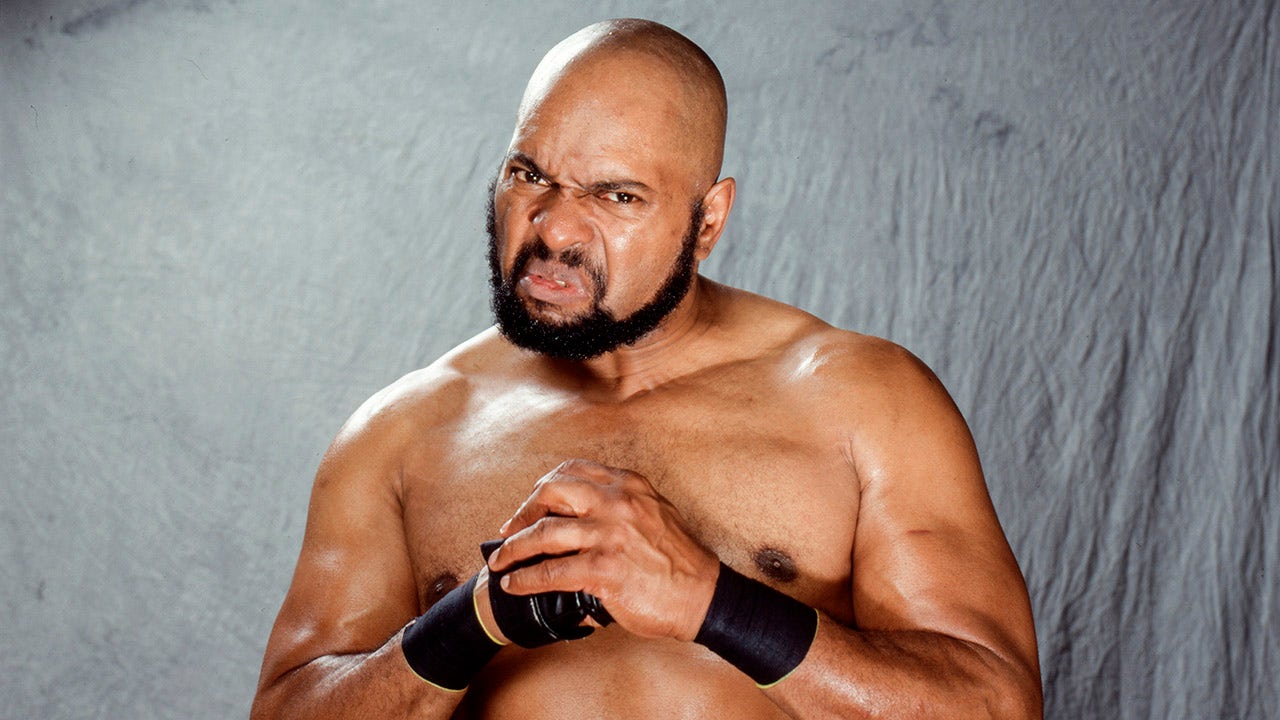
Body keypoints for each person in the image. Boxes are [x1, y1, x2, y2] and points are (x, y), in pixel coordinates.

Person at [251, 18, 1042, 720]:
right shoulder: (403, 434)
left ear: (708, 221)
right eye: (530, 175)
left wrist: (713, 603)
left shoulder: (865, 403)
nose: (554, 229)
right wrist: (469, 623)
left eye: (617, 196)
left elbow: (995, 707)